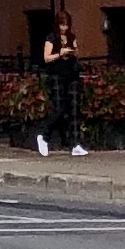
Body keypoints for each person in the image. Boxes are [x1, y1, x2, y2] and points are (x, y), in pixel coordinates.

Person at [38, 13, 85, 157]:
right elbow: (46, 58)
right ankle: (44, 135)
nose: (64, 28)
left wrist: (73, 52)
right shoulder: (52, 37)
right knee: (59, 107)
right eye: (62, 25)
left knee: (74, 107)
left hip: (71, 73)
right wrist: (60, 53)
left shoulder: (71, 37)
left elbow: (77, 52)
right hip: (57, 74)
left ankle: (75, 143)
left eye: (66, 25)